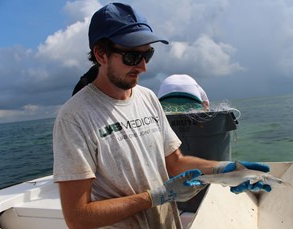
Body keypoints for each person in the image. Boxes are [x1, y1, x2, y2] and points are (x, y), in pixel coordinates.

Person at [53, 3, 271, 229]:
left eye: (147, 54)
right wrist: (155, 197)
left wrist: (224, 169)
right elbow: (78, 217)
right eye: (131, 56)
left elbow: (175, 162)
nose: (143, 67)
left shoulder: (147, 98)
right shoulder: (74, 117)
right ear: (101, 54)